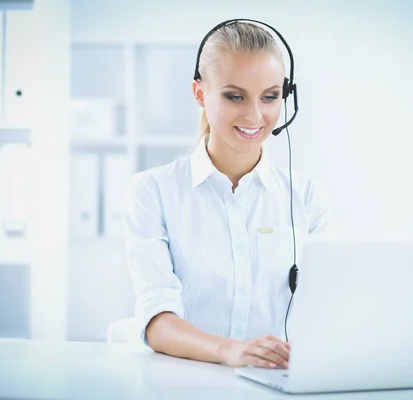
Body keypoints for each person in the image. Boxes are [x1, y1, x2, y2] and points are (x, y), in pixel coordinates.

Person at [124, 20, 333, 370]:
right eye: (235, 96)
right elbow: (157, 319)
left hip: (279, 385)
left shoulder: (307, 197)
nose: (254, 115)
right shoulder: (153, 191)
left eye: (270, 97)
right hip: (182, 386)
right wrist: (231, 351)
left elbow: (329, 308)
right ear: (200, 93)